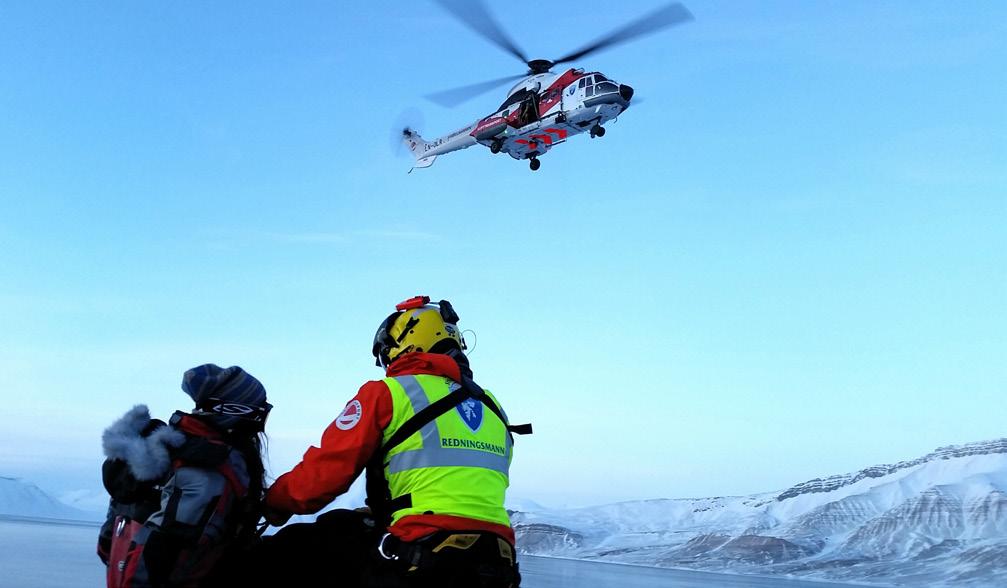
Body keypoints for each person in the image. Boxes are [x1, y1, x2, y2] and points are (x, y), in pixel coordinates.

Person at [260, 296, 528, 588]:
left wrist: (274, 502)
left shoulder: (388, 393)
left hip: (420, 551)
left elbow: (324, 476)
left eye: (386, 352)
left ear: (407, 340)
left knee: (284, 553)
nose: (386, 361)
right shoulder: (492, 406)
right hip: (499, 559)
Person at [97, 364, 272, 588]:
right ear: (236, 412)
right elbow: (166, 552)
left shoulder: (168, 451)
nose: (262, 420)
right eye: (260, 411)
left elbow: (106, 544)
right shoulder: (206, 467)